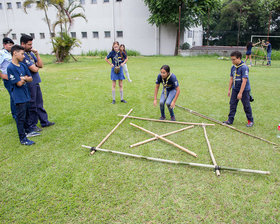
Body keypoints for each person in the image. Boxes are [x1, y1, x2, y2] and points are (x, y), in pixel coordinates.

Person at [20, 34, 55, 131]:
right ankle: (32, 125)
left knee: (39, 103)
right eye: (29, 44)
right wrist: (36, 67)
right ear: (23, 44)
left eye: (31, 44)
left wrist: (37, 54)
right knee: (32, 104)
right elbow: (34, 69)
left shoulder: (30, 54)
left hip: (36, 81)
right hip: (29, 83)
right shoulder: (23, 56)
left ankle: (44, 121)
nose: (31, 46)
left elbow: (40, 65)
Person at [7, 45, 36, 145]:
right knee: (21, 118)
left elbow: (30, 78)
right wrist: (24, 78)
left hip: (26, 94)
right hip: (19, 97)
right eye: (22, 54)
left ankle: (28, 131)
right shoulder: (10, 67)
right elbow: (18, 83)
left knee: (27, 114)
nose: (24, 56)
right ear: (15, 53)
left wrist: (23, 78)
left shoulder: (23, 65)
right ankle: (22, 138)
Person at [223, 51, 254, 127]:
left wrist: (240, 93)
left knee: (246, 105)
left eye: (234, 59)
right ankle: (230, 120)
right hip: (235, 89)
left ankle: (250, 121)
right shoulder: (233, 67)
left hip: (244, 90)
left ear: (239, 58)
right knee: (232, 104)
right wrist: (229, 90)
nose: (232, 61)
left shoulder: (244, 67)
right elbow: (231, 79)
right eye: (231, 59)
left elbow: (244, 81)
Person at [0, 37, 17, 120]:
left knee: (15, 95)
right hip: (7, 78)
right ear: (4, 45)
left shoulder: (12, 53)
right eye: (9, 45)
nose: (11, 46)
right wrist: (2, 75)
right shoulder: (1, 53)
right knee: (13, 96)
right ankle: (15, 115)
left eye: (12, 45)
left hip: (15, 77)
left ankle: (17, 113)